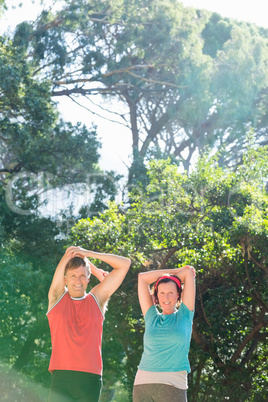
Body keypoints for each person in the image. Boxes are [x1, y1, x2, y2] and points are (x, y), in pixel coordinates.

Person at [47, 245, 131, 402]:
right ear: (65, 279)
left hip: (90, 378)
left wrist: (89, 255)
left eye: (82, 276)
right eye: (73, 276)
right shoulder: (56, 299)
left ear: (88, 278)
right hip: (61, 378)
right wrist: (86, 261)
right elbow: (69, 252)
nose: (78, 280)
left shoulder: (96, 299)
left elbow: (125, 264)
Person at [133, 265, 196, 402]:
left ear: (178, 294)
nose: (166, 297)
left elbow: (188, 273)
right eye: (161, 293)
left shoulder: (185, 315)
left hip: (173, 384)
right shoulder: (151, 317)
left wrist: (173, 277)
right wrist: (171, 274)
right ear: (156, 295)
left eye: (171, 292)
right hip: (143, 384)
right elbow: (142, 278)